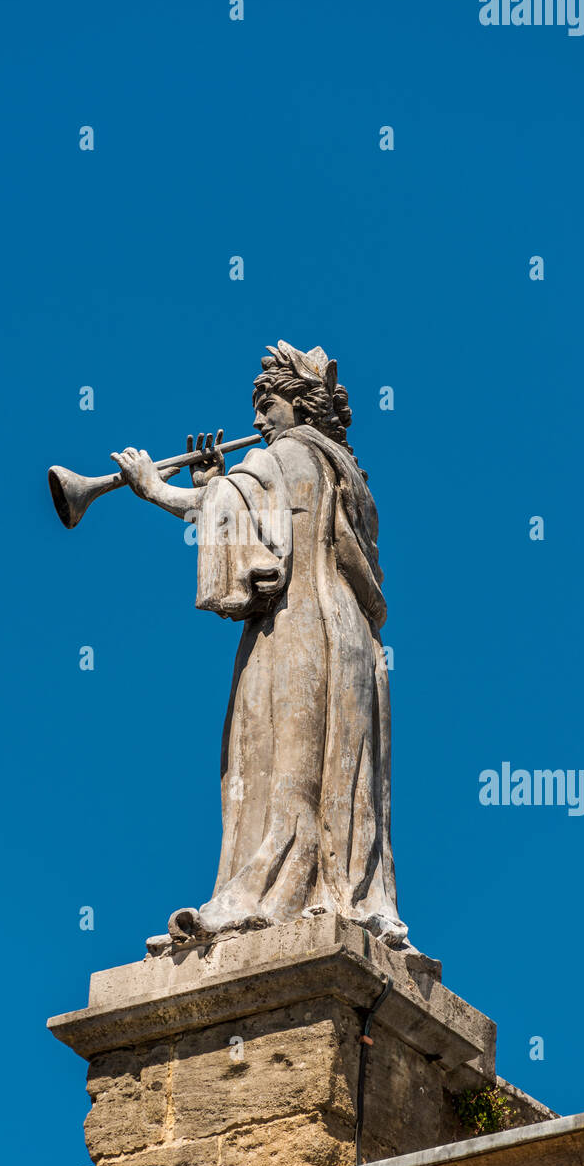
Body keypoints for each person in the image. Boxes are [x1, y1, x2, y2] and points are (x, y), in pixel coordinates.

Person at [111, 341, 409, 946]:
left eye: (266, 404)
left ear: (298, 407)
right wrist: (226, 485)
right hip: (350, 641)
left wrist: (154, 488)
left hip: (297, 630)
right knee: (338, 775)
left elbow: (228, 510)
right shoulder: (345, 473)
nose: (255, 421)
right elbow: (266, 511)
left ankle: (265, 895)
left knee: (274, 762)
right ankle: (342, 893)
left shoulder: (291, 454)